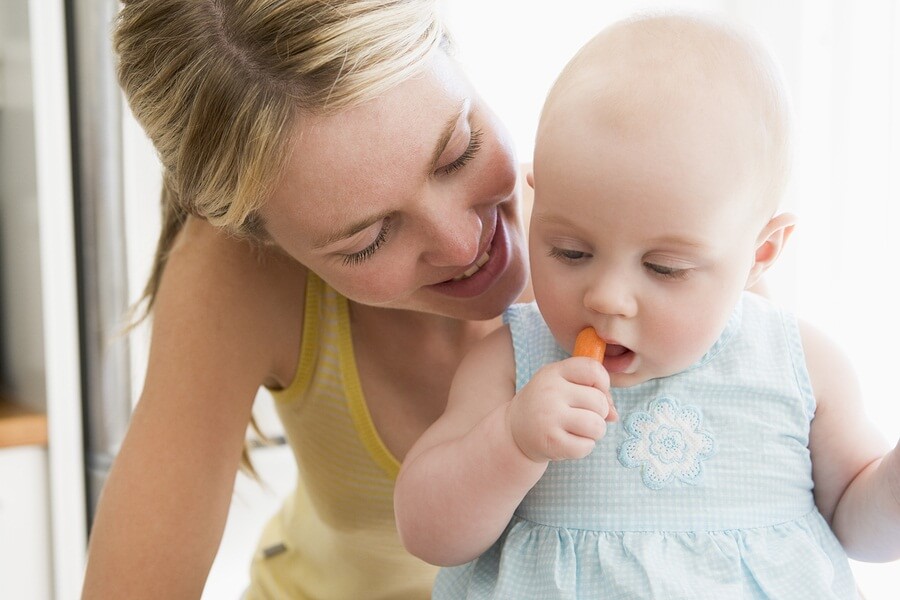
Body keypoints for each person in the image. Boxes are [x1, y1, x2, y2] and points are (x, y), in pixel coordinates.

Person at [394, 12, 900, 599]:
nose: (607, 297)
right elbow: (427, 532)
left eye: (665, 268)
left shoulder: (801, 366)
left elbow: (860, 526)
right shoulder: (514, 364)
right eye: (571, 251)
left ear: (760, 253)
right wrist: (510, 442)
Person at [80, 1, 534, 598]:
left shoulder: (626, 190)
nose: (461, 242)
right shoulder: (238, 275)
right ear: (263, 242)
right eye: (369, 240)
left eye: (459, 151)